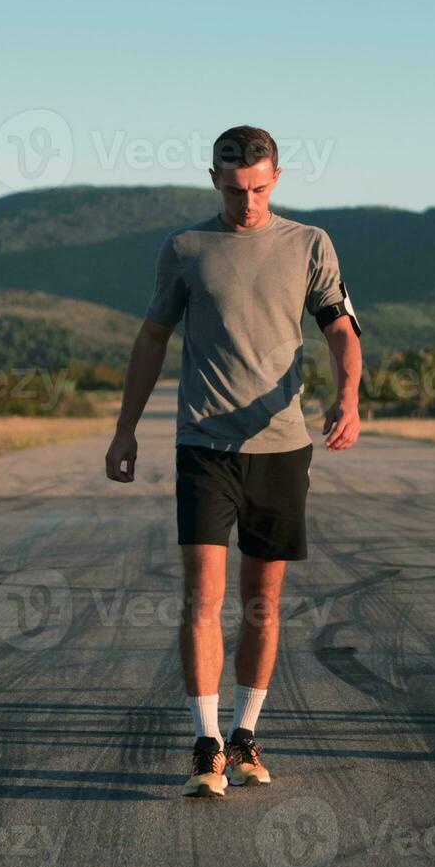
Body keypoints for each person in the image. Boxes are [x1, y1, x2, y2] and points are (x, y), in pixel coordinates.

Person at [103, 125, 363, 797]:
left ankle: (246, 734)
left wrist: (349, 396)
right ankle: (205, 744)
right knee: (202, 598)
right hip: (203, 448)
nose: (246, 202)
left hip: (281, 447)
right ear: (213, 179)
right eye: (232, 188)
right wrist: (125, 429)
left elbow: (340, 327)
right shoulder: (186, 248)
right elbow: (152, 337)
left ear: (276, 177)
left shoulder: (310, 244)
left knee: (263, 601)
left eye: (256, 188)